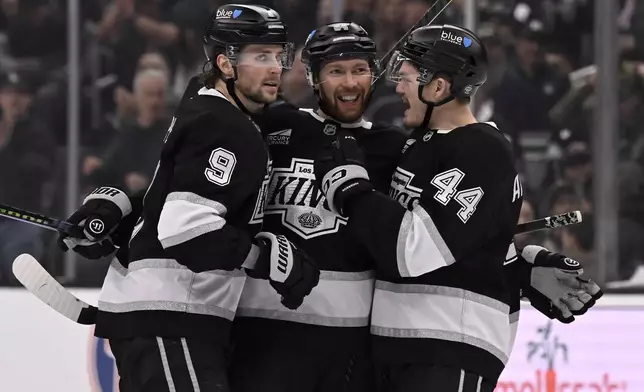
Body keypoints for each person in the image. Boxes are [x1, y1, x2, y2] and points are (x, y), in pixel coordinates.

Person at [313, 24, 601, 391]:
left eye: (407, 78)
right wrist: (518, 266)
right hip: (402, 348)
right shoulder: (422, 146)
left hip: (450, 348)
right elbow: (463, 239)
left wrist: (352, 191)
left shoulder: (481, 149)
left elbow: (414, 250)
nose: (398, 88)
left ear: (438, 87)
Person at [57, 5, 319, 392]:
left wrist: (123, 205)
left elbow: (170, 197)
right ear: (226, 64)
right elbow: (187, 230)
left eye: (278, 56)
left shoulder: (207, 106)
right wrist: (264, 259)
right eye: (260, 56)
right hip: (170, 315)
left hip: (157, 316)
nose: (275, 67)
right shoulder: (224, 124)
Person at [228, 22, 404, 392]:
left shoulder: (392, 146)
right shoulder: (274, 124)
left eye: (360, 70)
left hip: (347, 342)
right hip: (262, 333)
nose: (350, 83)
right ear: (313, 77)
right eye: (336, 71)